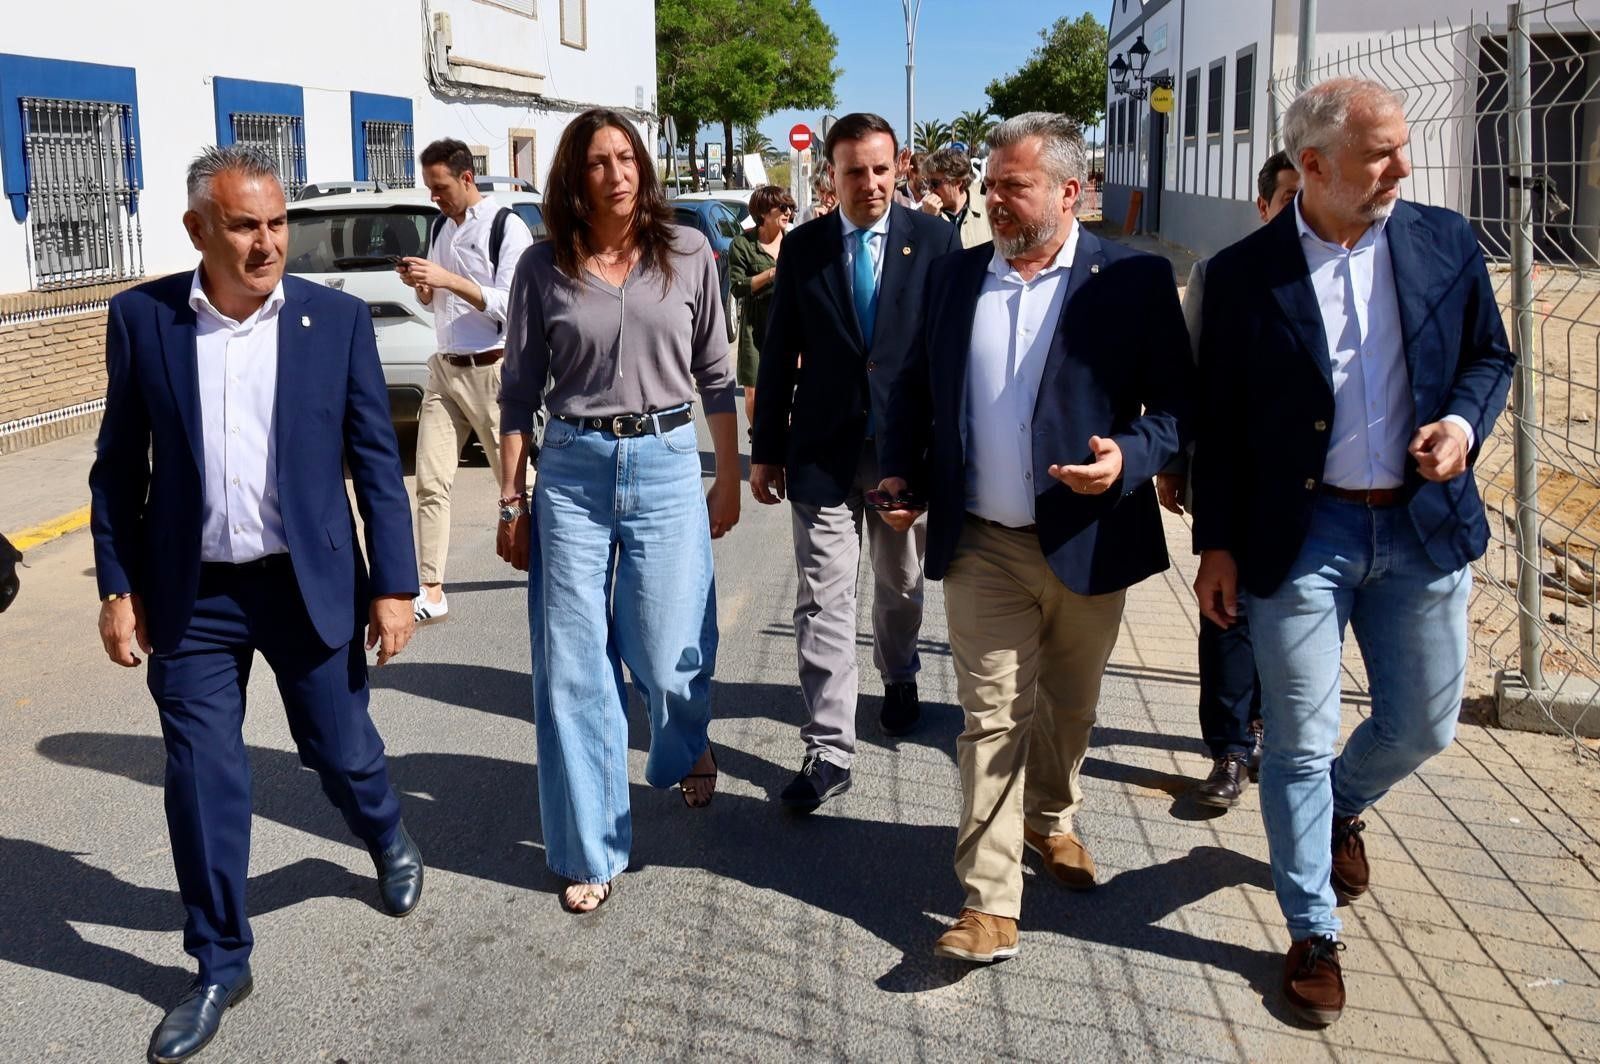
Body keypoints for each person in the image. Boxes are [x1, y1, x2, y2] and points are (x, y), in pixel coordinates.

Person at [89, 145, 424, 1064]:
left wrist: (396, 584)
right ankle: (218, 961)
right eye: (245, 225)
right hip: (192, 595)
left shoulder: (334, 322)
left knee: (337, 745)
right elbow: (119, 467)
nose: (268, 242)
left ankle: (385, 830)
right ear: (199, 229)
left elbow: (375, 468)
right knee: (202, 777)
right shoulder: (144, 320)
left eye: (277, 224)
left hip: (303, 579)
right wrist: (117, 586)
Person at [1191, 78, 1514, 1026]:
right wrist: (1214, 543)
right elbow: (1219, 422)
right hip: (1303, 534)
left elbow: (1489, 358)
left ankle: (1341, 803)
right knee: (1294, 738)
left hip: (1420, 526)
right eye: (1382, 154)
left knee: (1424, 725)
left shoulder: (1444, 242)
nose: (1403, 168)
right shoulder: (1245, 273)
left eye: (1404, 148)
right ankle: (1311, 928)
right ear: (1316, 166)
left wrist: (1461, 424)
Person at [876, 112, 1192, 964]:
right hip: (981, 543)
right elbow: (911, 388)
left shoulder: (1131, 280)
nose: (995, 200)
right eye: (991, 184)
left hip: (1092, 535)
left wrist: (1129, 457)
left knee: (1071, 705)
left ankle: (1051, 819)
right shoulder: (955, 278)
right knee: (990, 718)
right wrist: (900, 473)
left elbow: (1176, 412)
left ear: (1069, 191)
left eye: (1013, 185)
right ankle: (989, 903)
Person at [496, 109, 741, 914]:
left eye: (627, 156)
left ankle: (686, 739)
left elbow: (716, 375)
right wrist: (511, 500)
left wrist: (728, 475)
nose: (618, 172)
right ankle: (590, 846)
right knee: (572, 662)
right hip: (571, 468)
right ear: (575, 176)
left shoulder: (688, 252)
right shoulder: (542, 266)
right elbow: (518, 394)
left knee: (672, 649)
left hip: (669, 460)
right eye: (599, 161)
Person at [751, 113, 961, 811]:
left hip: (904, 450)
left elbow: (949, 354)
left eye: (879, 169)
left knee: (899, 586)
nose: (868, 183)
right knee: (823, 598)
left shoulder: (934, 240)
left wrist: (939, 455)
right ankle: (829, 749)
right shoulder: (806, 247)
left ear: (899, 168)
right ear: (829, 176)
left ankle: (899, 675)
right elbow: (779, 352)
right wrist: (766, 451)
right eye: (852, 172)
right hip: (824, 450)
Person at [1154, 150, 1299, 809]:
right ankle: (1231, 751)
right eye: (1286, 199)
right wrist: (1175, 464)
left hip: (1315, 494)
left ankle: (1276, 730)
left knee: (1295, 617)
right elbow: (1187, 377)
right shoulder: (1219, 276)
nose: (1299, 212)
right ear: (1262, 206)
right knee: (1228, 613)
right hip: (1233, 477)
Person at [396, 138, 535, 625]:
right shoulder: (440, 226)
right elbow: (437, 304)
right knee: (430, 482)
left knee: (515, 484)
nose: (435, 197)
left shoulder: (505, 227)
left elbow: (510, 307)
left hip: (492, 371)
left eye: (440, 187)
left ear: (467, 177)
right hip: (444, 370)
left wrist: (449, 279)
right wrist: (425, 287)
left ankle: (550, 565)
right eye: (430, 188)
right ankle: (431, 589)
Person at [728, 185, 794, 429]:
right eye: (783, 207)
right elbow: (737, 287)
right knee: (754, 394)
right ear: (765, 212)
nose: (788, 212)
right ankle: (760, 443)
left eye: (791, 207)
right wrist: (770, 274)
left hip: (788, 328)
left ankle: (783, 446)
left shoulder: (794, 244)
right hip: (755, 327)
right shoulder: (742, 244)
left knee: (785, 391)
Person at [917, 147, 993, 248]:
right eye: (928, 182)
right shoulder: (923, 213)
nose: (930, 189)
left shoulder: (988, 209)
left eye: (935, 183)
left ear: (957, 182)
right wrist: (928, 220)